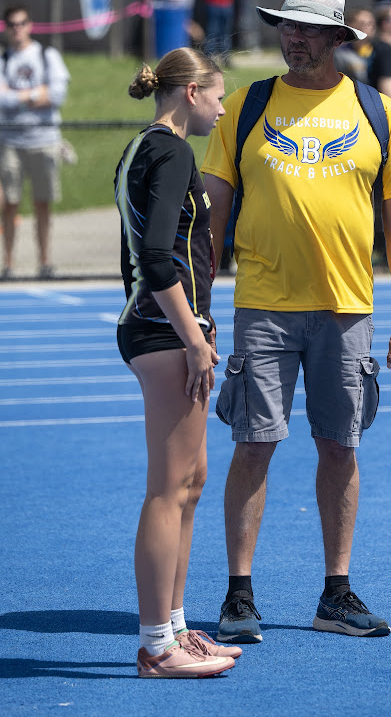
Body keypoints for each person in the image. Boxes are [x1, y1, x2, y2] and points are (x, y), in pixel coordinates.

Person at [201, 0, 391, 643]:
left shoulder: (376, 111)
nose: (293, 37)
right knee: (255, 442)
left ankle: (336, 592)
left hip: (347, 307)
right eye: (284, 25)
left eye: (307, 28)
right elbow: (211, 216)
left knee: (339, 446)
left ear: (334, 38)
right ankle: (238, 595)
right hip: (262, 305)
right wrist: (200, 306)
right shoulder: (245, 107)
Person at [114, 47, 241, 678]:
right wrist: (194, 337)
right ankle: (155, 645)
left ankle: (177, 628)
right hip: (165, 333)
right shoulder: (171, 151)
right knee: (168, 491)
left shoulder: (145, 147)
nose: (223, 107)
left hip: (166, 329)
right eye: (218, 95)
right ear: (191, 92)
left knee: (189, 487)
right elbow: (158, 257)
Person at [0, 4, 70, 279]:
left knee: (43, 203)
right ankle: (8, 264)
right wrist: (33, 94)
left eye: (22, 23)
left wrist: (16, 96)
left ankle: (44, 262)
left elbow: (57, 94)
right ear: (7, 28)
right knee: (10, 204)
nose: (18, 28)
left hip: (44, 139)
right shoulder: (4, 60)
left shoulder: (46, 55)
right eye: (13, 24)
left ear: (30, 25)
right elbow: (1, 99)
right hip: (11, 141)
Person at [333, 8, 376, 85]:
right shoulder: (340, 53)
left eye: (370, 23)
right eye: (362, 23)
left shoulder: (381, 51)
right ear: (350, 25)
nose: (367, 27)